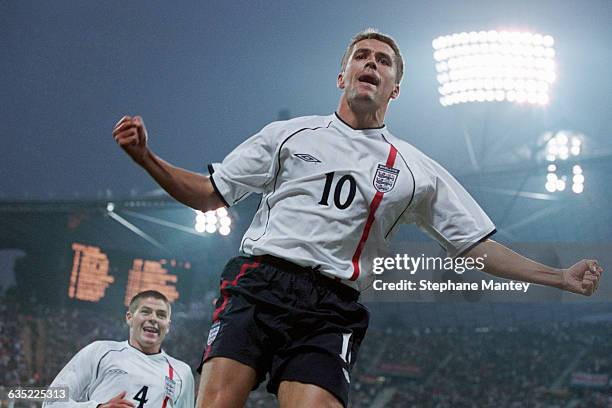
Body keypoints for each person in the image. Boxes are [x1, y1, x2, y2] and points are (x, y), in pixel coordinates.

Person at [112, 29, 603, 408]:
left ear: (395, 89)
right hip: (258, 285)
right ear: (342, 76)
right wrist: (146, 159)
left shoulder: (416, 170)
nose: (371, 63)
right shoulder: (289, 135)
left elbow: (476, 248)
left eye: (383, 61)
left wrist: (558, 275)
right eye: (362, 56)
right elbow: (208, 195)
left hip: (330, 307)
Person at [43, 290, 195, 408]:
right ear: (129, 317)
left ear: (167, 326)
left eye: (161, 315)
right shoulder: (100, 351)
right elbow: (52, 400)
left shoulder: (182, 373)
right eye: (145, 312)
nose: (153, 318)